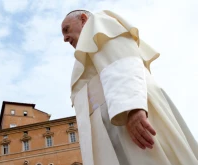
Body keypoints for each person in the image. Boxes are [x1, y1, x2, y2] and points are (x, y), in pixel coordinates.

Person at [61, 9, 198, 165]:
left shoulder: (98, 23)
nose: (65, 38)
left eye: (67, 30)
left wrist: (133, 108)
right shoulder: (86, 52)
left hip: (127, 112)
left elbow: (122, 62)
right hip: (113, 123)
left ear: (84, 19)